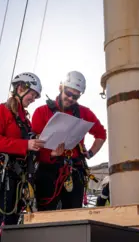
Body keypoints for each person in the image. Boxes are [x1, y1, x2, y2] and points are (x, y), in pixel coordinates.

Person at [0, 72, 54, 242]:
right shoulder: (1, 112)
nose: (33, 99)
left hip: (19, 177)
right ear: (20, 88)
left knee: (12, 224)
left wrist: (50, 152)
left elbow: (29, 148)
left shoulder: (25, 121)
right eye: (32, 95)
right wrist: (25, 145)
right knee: (0, 222)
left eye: (36, 97)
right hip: (5, 175)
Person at [31, 70, 107, 211]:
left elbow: (101, 134)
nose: (71, 99)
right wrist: (51, 154)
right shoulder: (41, 112)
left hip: (74, 169)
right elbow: (33, 145)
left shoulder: (85, 113)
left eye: (76, 96)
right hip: (48, 170)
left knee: (73, 214)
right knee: (46, 214)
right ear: (61, 88)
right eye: (68, 93)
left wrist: (89, 153)